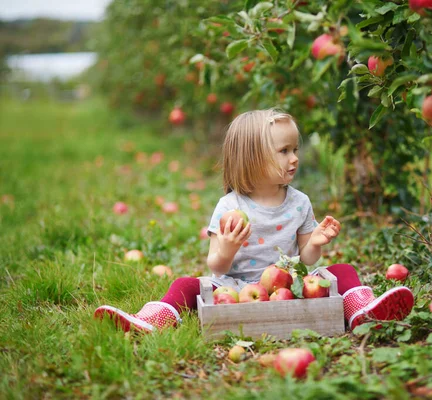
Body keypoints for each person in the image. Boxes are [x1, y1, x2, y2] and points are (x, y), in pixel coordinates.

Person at [94, 109, 414, 333]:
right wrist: (228, 248)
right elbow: (216, 266)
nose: (295, 158)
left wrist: (314, 243)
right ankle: (154, 318)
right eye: (284, 151)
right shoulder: (230, 206)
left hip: (289, 285)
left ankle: (361, 311)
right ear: (253, 158)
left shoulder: (299, 202)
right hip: (235, 287)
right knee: (186, 285)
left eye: (295, 149)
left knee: (342, 272)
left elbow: (306, 260)